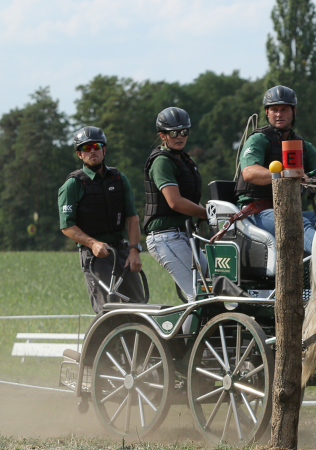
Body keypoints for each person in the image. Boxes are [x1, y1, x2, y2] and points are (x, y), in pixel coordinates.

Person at [234, 85, 316, 254]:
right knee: (297, 221)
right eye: (274, 109)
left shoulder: (303, 145)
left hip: (291, 210)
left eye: (284, 109)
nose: (279, 114)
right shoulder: (258, 140)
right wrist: (284, 174)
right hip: (256, 213)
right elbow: (249, 172)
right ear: (267, 112)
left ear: (293, 111)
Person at [58, 127, 146, 314]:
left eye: (96, 146)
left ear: (104, 149)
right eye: (86, 148)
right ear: (79, 154)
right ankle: (99, 344)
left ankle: (138, 343)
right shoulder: (72, 185)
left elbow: (132, 218)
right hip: (94, 255)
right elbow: (67, 226)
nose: (92, 151)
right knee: (108, 309)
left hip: (122, 252)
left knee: (139, 307)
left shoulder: (119, 179)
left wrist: (134, 251)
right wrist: (93, 243)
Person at [142, 107, 208, 302]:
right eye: (173, 133)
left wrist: (213, 213)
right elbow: (175, 202)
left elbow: (192, 200)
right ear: (162, 135)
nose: (180, 137)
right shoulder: (162, 162)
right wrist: (207, 214)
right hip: (165, 237)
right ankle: (184, 333)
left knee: (214, 287)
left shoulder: (185, 160)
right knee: (198, 296)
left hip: (184, 235)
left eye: (184, 132)